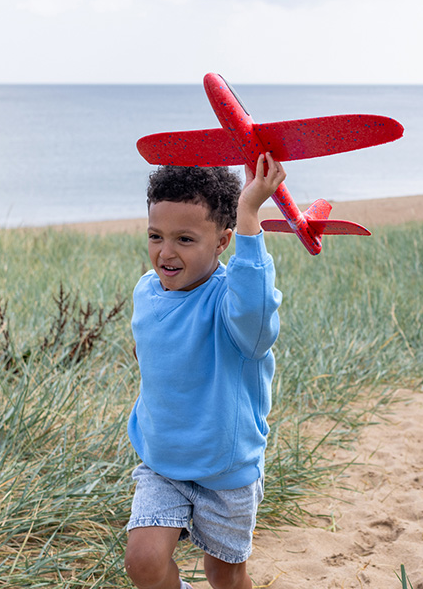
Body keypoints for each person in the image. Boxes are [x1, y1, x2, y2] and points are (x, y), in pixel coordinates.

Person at [123, 153, 286, 589]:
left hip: (225, 470)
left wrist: (251, 211)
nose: (166, 252)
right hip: (164, 463)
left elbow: (256, 314)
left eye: (185, 239)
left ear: (223, 241)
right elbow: (149, 346)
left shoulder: (232, 305)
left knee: (225, 575)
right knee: (144, 560)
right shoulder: (147, 289)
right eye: (156, 235)